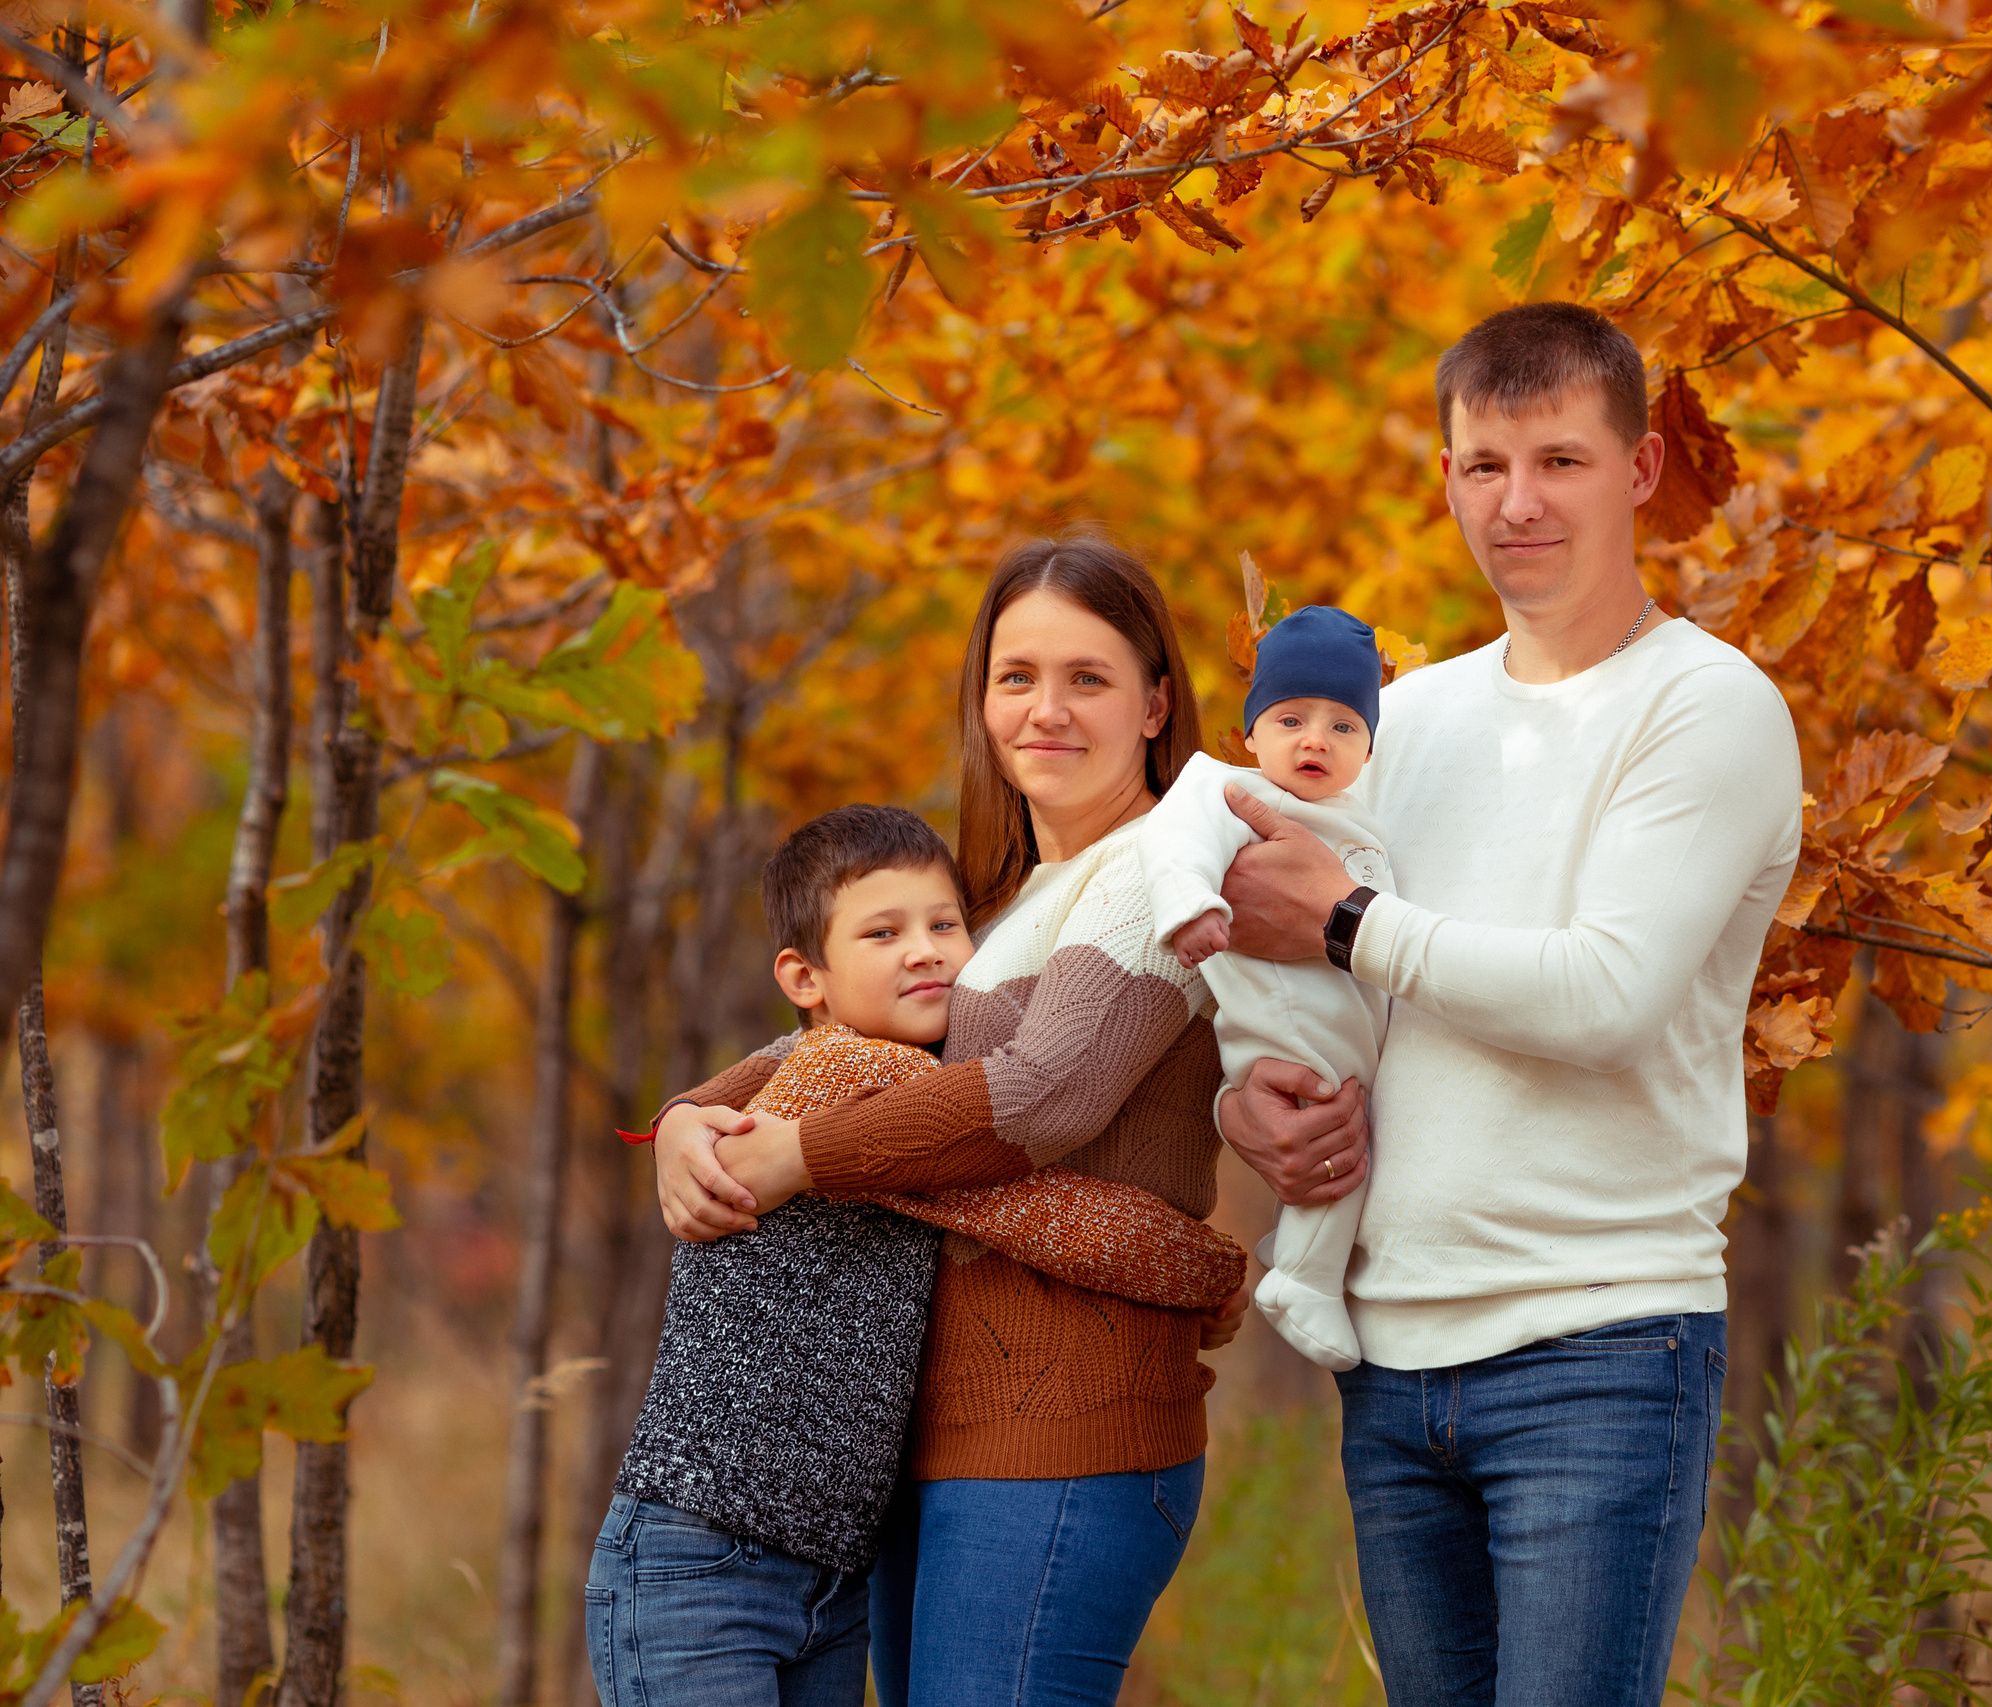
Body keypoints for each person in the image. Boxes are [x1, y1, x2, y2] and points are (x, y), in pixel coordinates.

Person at [1215, 301, 1805, 1706]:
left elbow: (1603, 993)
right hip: (1392, 1357)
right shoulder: (1403, 721)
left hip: (1597, 1347)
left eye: (1561, 461)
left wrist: (1348, 920)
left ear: (1643, 467)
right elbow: (1327, 982)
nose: (1518, 503)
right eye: (1485, 465)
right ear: (1447, 478)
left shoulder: (1706, 707)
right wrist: (1258, 1102)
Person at [650, 532, 1245, 1707]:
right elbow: (842, 1055)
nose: (1046, 710)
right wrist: (687, 1118)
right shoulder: (993, 901)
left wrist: (803, 1159)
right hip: (930, 1447)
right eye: (1016, 677)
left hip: (1069, 1441)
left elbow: (1041, 1095)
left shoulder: (1152, 873)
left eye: (1089, 678)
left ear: (1156, 702)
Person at [1137, 603, 1394, 1370]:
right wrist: (1193, 909)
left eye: (1344, 726)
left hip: (1340, 1016)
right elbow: (1175, 844)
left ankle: (1299, 1245)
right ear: (1251, 732)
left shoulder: (1358, 814)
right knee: (1335, 1131)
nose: (1316, 738)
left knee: (1352, 1131)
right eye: (1290, 718)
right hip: (1283, 1020)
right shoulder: (1225, 789)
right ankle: (1303, 1284)